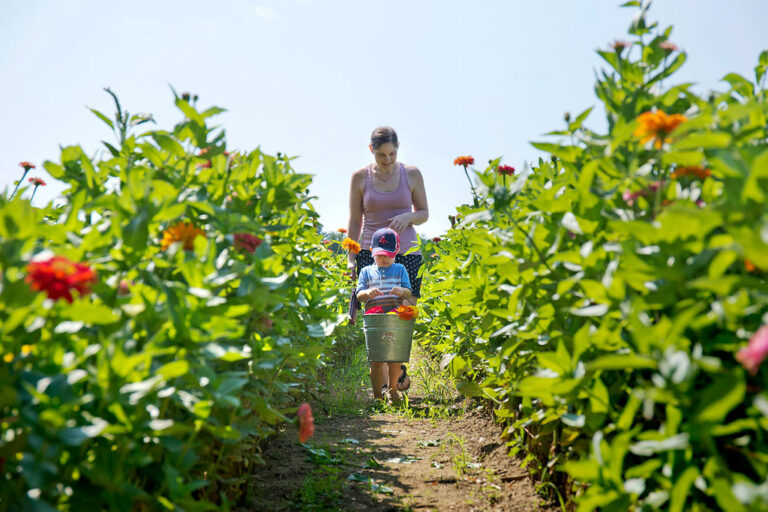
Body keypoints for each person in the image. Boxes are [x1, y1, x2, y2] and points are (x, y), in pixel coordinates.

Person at [346, 126, 429, 398]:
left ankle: (397, 368)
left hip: (407, 250)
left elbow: (424, 213)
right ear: (371, 150)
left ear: (398, 148)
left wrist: (408, 218)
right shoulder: (360, 178)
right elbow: (355, 220)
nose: (388, 160)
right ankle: (384, 384)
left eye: (392, 153)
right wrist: (351, 256)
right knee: (377, 313)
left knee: (403, 313)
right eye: (382, 155)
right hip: (372, 251)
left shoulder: (412, 174)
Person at [356, 228, 413, 402]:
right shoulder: (366, 271)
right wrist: (367, 293)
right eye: (380, 255)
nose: (384, 258)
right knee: (376, 360)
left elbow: (409, 292)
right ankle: (377, 395)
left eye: (388, 255)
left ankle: (393, 391)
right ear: (372, 252)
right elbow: (359, 295)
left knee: (394, 360)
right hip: (375, 319)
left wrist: (401, 291)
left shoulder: (400, 269)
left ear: (396, 253)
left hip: (394, 319)